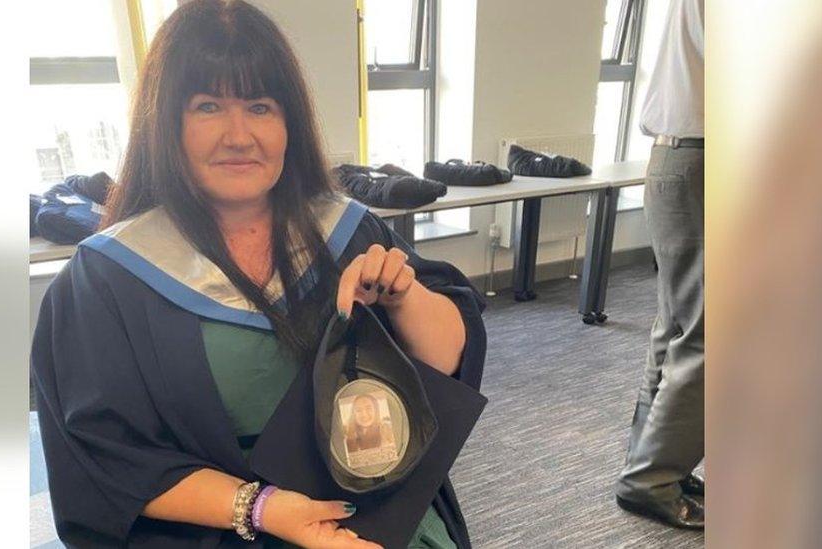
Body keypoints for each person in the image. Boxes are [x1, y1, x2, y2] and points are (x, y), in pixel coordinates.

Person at [30, 1, 487, 547]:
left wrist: (404, 297)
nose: (239, 135)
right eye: (207, 106)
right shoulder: (108, 278)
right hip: (221, 527)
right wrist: (262, 508)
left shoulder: (350, 229)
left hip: (377, 509)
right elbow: (105, 456)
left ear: (289, 122)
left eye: (260, 106)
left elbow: (444, 363)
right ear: (165, 125)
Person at [614, 0, 705, 530]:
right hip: (705, 160)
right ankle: (651, 478)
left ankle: (655, 465)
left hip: (677, 157)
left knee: (676, 329)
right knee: (707, 334)